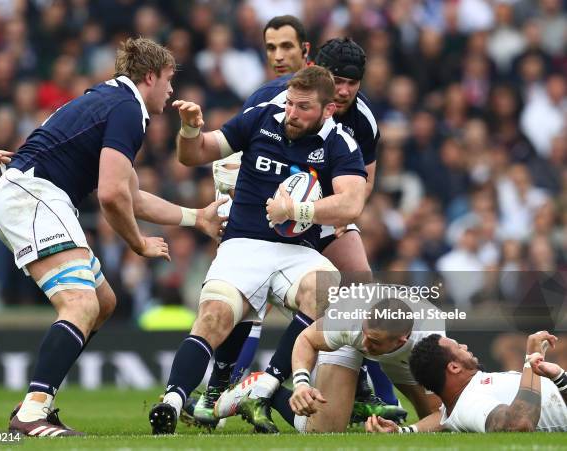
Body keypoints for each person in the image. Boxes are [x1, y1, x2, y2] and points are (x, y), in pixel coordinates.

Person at [0, 37, 225, 437]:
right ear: (149, 76)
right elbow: (112, 196)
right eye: (168, 80)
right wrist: (139, 243)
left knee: (102, 302)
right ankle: (32, 412)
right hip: (33, 196)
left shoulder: (112, 100)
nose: (171, 90)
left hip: (30, 195)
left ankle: (37, 401)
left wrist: (195, 217)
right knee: (80, 302)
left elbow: (130, 194)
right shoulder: (128, 110)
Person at [148, 65, 368, 435]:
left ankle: (265, 385)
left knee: (330, 291)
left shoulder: (340, 143)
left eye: (303, 108)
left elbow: (351, 204)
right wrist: (189, 129)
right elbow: (194, 154)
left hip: (297, 251)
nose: (291, 114)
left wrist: (298, 211)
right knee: (214, 316)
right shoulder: (262, 118)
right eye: (290, 104)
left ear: (328, 110)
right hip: (243, 244)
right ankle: (172, 401)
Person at [205, 37, 401, 432]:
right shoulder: (275, 99)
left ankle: (374, 394)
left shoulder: (364, 121)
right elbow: (234, 152)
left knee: (360, 283)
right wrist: (226, 210)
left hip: (323, 211)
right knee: (247, 297)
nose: (344, 90)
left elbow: (364, 184)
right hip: (265, 211)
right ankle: (219, 387)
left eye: (353, 82)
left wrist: (336, 218)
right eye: (337, 80)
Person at [216, 291, 442, 432]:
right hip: (346, 339)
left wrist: (405, 431)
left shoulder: (430, 339)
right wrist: (302, 384)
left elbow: (444, 416)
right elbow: (305, 339)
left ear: (403, 339)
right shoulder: (349, 322)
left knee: (435, 417)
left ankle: (352, 401)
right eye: (365, 333)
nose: (364, 343)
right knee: (323, 429)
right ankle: (261, 387)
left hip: (402, 354)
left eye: (372, 340)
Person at [366, 331, 567, 433]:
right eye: (457, 347)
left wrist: (403, 431)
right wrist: (532, 358)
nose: (464, 345)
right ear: (454, 367)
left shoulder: (456, 404)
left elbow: (443, 418)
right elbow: (517, 425)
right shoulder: (468, 403)